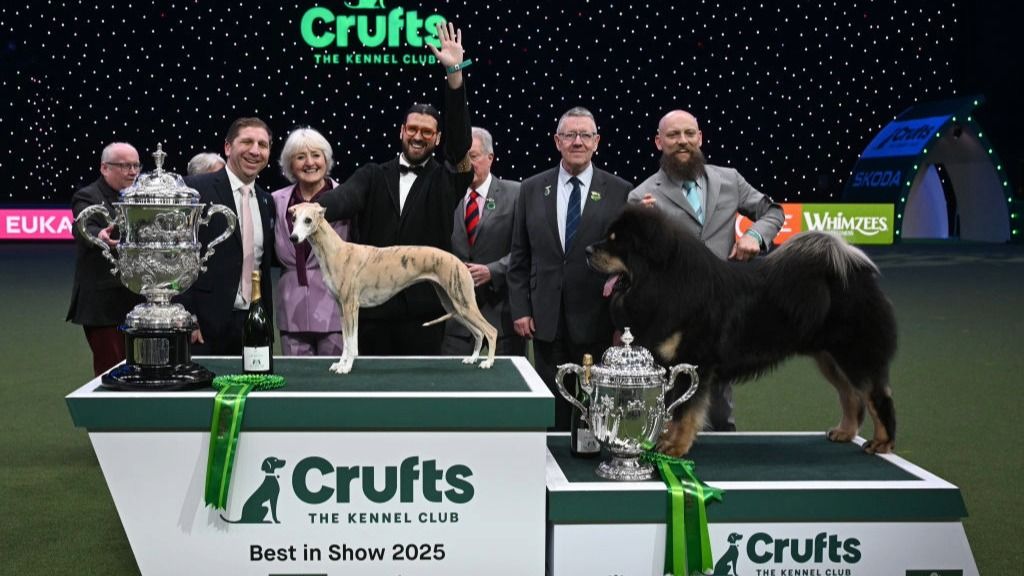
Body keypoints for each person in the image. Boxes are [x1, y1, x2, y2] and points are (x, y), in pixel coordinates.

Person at [318, 22, 473, 356]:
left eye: (427, 132)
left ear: (438, 138)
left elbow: (461, 143)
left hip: (423, 315)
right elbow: (345, 197)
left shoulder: (447, 179)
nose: (418, 136)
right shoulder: (372, 174)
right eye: (412, 129)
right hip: (373, 315)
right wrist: (316, 209)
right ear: (401, 131)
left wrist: (455, 76)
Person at [629, 109, 785, 431]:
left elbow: (772, 212)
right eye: (673, 135)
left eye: (689, 133)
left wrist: (755, 237)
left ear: (700, 138)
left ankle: (724, 444)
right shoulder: (641, 195)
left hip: (720, 308)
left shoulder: (730, 179)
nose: (682, 141)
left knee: (719, 397)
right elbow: (637, 262)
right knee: (673, 394)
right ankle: (670, 442)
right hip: (672, 314)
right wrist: (643, 228)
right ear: (659, 142)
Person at [508, 107, 633, 430]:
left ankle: (593, 455)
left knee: (597, 408)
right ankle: (552, 458)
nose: (578, 142)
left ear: (597, 142)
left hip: (598, 321)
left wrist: (621, 321)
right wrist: (521, 309)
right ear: (557, 141)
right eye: (570, 135)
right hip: (545, 321)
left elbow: (627, 263)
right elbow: (519, 256)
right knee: (553, 409)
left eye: (585, 135)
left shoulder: (620, 191)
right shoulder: (531, 188)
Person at [177, 117, 276, 355]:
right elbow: (177, 254)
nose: (255, 151)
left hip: (252, 323)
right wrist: (187, 315)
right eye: (247, 142)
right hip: (203, 328)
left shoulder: (266, 201)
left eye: (263, 145)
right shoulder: (194, 190)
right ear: (228, 147)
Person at [441, 127, 525, 357]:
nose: (467, 164)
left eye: (473, 156)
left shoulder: (517, 194)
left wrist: (493, 271)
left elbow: (527, 249)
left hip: (502, 320)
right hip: (456, 322)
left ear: (490, 157)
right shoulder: (445, 196)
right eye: (462, 158)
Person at [67, 142, 145, 376]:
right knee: (111, 371)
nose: (132, 171)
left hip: (137, 299)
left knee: (141, 369)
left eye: (136, 165)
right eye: (124, 166)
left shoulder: (140, 195)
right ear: (104, 168)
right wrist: (98, 235)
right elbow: (82, 226)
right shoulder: (87, 195)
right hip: (103, 306)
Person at [271, 127, 350, 356]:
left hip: (333, 307)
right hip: (291, 309)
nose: (310, 163)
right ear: (290, 164)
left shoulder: (346, 197)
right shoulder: (276, 200)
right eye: (300, 157)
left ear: (326, 159)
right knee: (296, 377)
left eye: (316, 155)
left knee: (333, 376)